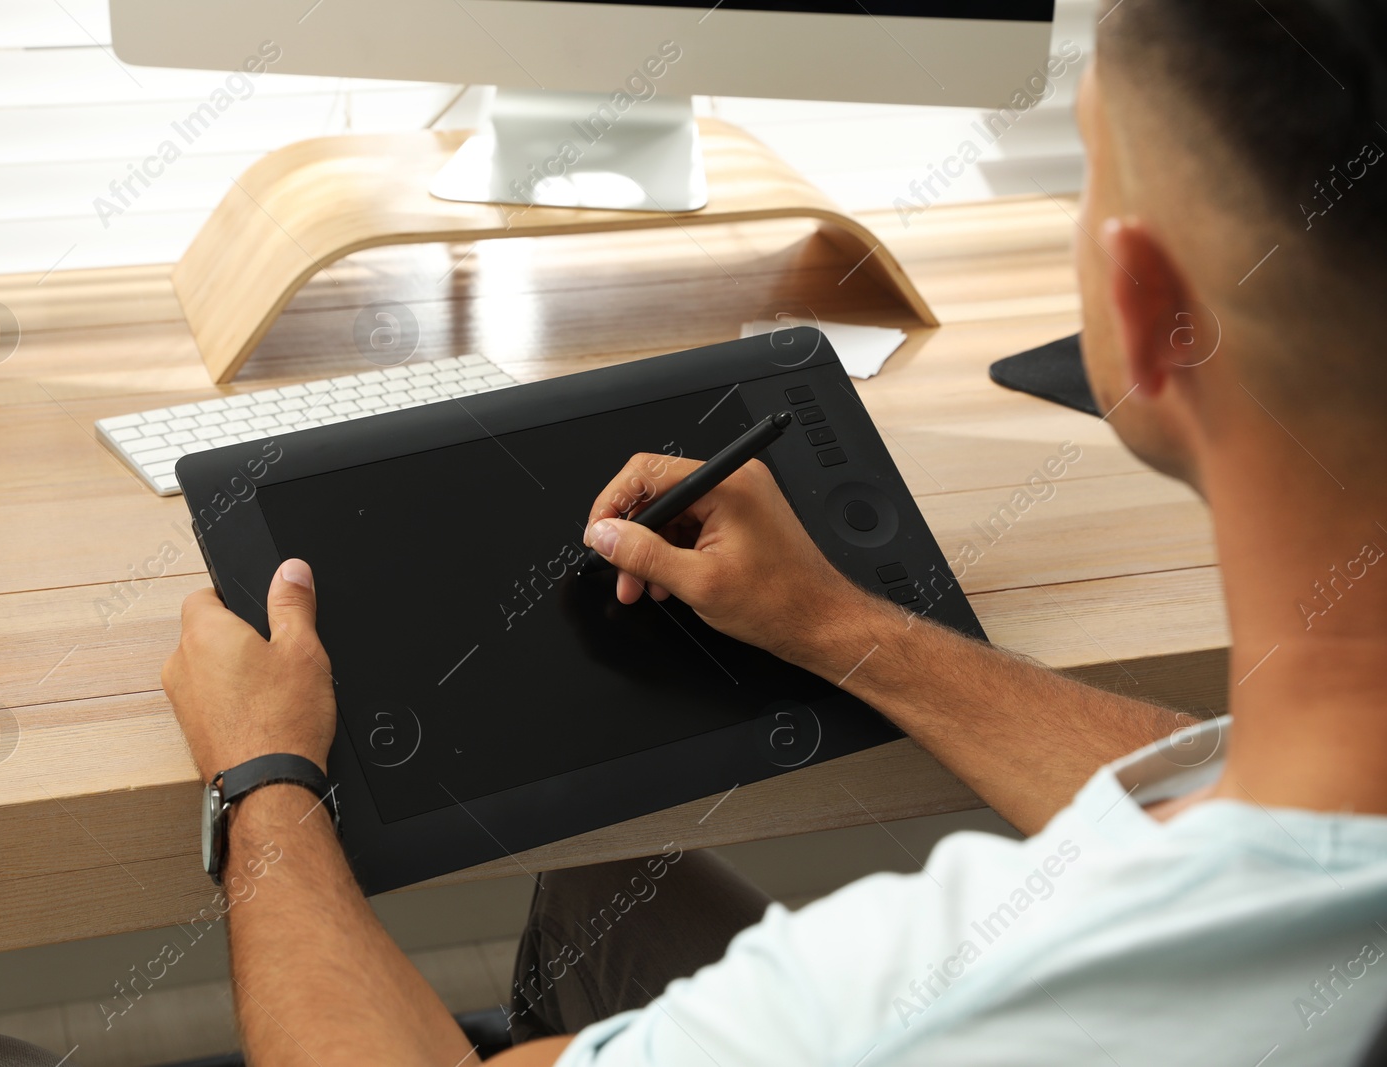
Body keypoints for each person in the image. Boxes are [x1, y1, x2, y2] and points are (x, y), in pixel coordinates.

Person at [156, 0, 1387, 1064]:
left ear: (1147, 309)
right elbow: (1255, 802)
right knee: (602, 891)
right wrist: (842, 626)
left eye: (1081, 171)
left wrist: (264, 776)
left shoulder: (926, 993)